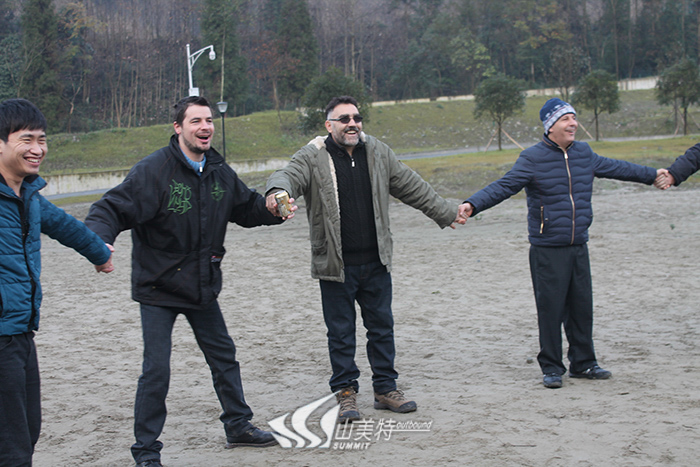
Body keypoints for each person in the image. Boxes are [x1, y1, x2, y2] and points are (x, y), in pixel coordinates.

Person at [85, 96, 281, 467]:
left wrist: (271, 209)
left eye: (208, 120)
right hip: (158, 287)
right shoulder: (153, 171)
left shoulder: (219, 171)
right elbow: (109, 209)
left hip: (202, 285)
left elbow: (246, 207)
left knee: (224, 357)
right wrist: (99, 241)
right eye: (195, 121)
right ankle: (146, 452)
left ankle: (238, 426)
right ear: (178, 128)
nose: (205, 127)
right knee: (156, 371)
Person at [265, 95, 465, 422]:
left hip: (376, 262)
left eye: (356, 118)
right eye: (344, 119)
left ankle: (386, 389)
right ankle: (346, 394)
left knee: (382, 328)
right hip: (335, 265)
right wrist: (277, 193)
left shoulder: (378, 152)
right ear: (329, 125)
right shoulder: (313, 155)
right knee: (341, 334)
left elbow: (411, 185)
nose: (352, 124)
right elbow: (287, 176)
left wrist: (444, 211)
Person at [458, 98, 668, 389]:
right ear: (550, 126)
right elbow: (504, 186)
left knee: (581, 308)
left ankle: (584, 363)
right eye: (565, 119)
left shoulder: (584, 153)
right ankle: (552, 367)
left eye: (574, 118)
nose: (573, 124)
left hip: (578, 244)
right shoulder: (532, 158)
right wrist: (473, 204)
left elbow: (618, 168)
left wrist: (653, 175)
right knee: (551, 310)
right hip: (547, 248)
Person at [0, 98, 114, 467]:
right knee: (13, 448)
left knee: (28, 429)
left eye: (42, 140)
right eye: (26, 139)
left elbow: (64, 226)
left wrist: (100, 253)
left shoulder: (27, 194)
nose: (37, 149)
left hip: (21, 330)